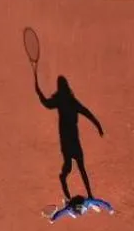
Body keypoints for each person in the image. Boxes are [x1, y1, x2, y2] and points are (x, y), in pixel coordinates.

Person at [35, 74, 104, 206]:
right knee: (80, 167)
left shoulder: (59, 100)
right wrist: (98, 126)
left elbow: (46, 104)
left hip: (66, 141)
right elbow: (87, 113)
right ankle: (89, 194)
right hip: (73, 140)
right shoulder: (72, 101)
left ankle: (68, 188)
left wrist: (39, 93)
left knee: (69, 167)